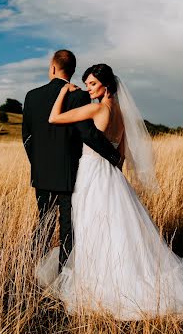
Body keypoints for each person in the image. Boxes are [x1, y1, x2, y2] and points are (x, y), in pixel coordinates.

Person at [36, 63, 183, 320]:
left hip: (91, 175)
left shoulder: (97, 108)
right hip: (113, 178)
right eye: (86, 84)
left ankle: (101, 288)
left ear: (106, 86)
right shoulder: (120, 114)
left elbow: (54, 118)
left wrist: (63, 92)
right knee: (119, 230)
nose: (88, 89)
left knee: (92, 228)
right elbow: (120, 156)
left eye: (92, 84)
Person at [22, 51, 121, 271]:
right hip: (70, 173)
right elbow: (86, 134)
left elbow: (26, 138)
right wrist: (113, 156)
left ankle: (27, 268)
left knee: (44, 224)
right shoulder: (78, 96)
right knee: (68, 228)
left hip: (42, 174)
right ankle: (63, 274)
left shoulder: (31, 96)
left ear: (53, 67)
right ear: (73, 70)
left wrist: (38, 163)